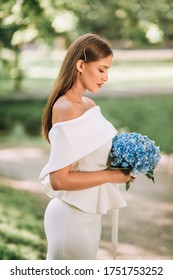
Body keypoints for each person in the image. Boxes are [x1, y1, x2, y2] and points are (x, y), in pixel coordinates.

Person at [39, 33, 134, 260]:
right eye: (102, 69)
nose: (106, 77)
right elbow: (59, 180)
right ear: (81, 65)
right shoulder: (65, 108)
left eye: (107, 70)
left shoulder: (88, 104)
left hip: (89, 216)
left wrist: (128, 159)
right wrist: (112, 176)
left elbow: (92, 155)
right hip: (71, 218)